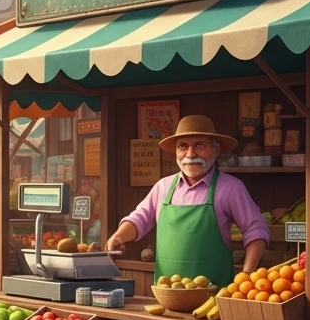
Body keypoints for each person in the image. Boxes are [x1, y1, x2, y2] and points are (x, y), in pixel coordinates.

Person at [106, 115, 269, 287]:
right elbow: (140, 218)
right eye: (183, 146)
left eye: (200, 145)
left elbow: (256, 230)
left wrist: (246, 276)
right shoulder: (163, 187)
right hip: (167, 294)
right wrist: (119, 235)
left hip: (215, 296)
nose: (190, 154)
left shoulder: (231, 188)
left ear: (216, 150)